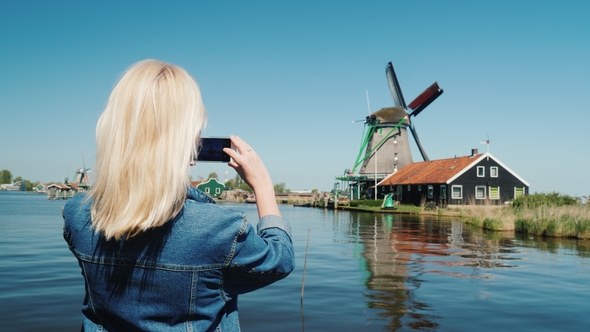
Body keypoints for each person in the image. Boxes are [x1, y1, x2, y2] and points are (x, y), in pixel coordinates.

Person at [63, 59, 295, 331]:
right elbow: (280, 260)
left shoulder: (78, 214)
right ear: (186, 141)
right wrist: (263, 186)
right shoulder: (218, 229)